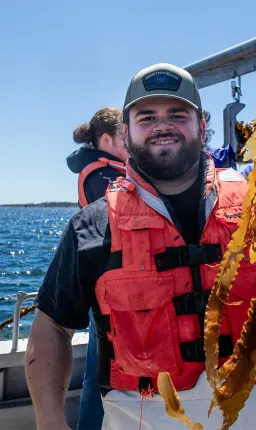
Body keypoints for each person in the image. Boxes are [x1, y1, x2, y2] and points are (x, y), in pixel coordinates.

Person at [26, 63, 256, 430]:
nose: (163, 124)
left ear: (201, 126)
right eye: (147, 117)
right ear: (126, 136)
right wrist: (50, 422)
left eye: (178, 114)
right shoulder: (90, 226)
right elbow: (52, 325)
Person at [68, 107, 128, 430]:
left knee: (102, 372)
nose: (129, 143)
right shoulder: (99, 176)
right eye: (123, 137)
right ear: (106, 139)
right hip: (107, 295)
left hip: (119, 289)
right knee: (99, 374)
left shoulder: (111, 169)